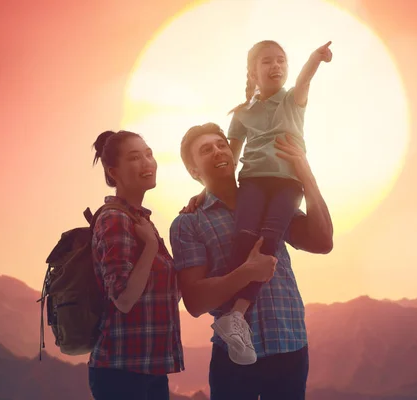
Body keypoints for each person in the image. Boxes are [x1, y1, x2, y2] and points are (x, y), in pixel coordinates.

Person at [187, 39, 333, 364]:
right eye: (267, 61)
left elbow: (305, 80)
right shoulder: (241, 114)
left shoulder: (292, 101)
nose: (275, 66)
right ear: (253, 72)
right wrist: (203, 192)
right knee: (244, 236)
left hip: (287, 184)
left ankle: (237, 314)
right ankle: (232, 316)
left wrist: (315, 58)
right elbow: (232, 156)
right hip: (252, 180)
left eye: (281, 60)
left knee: (269, 238)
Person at [170, 123, 333, 399]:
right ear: (193, 171)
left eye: (222, 145)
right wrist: (247, 272)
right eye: (206, 150)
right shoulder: (189, 223)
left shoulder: (271, 201)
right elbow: (195, 302)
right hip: (233, 357)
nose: (218, 151)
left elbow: (322, 242)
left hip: (290, 345)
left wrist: (306, 176)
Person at [88, 130, 184, 400]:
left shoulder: (140, 220)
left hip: (148, 368)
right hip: (122, 372)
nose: (147, 162)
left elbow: (167, 293)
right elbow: (124, 299)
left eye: (148, 154)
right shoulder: (115, 220)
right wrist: (152, 248)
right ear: (113, 171)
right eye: (134, 157)